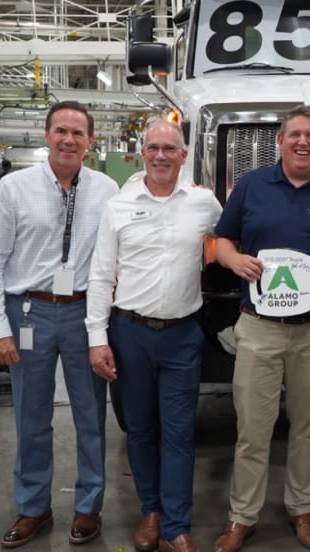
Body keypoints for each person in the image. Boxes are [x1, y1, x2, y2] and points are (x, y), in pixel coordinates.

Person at [212, 104, 310, 552]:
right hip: (258, 327)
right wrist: (233, 259)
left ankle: (302, 510)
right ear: (280, 141)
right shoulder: (251, 186)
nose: (303, 142)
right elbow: (223, 239)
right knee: (252, 429)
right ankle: (242, 516)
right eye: (295, 134)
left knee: (307, 425)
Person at [0, 100, 119, 549]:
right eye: (61, 131)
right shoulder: (14, 189)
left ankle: (88, 507)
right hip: (29, 313)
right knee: (31, 416)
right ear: (46, 135)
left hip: (83, 314)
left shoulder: (107, 189)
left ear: (91, 141)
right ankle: (33, 507)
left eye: (78, 133)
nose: (69, 140)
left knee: (91, 416)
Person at [85, 120, 222, 552]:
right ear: (141, 153)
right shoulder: (119, 206)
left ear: (184, 156)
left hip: (182, 336)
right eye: (154, 148)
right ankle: (151, 511)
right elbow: (101, 274)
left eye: (170, 148)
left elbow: (232, 235)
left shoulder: (203, 203)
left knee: (179, 433)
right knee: (141, 430)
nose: (161, 155)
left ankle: (175, 527)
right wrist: (97, 337)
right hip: (129, 334)